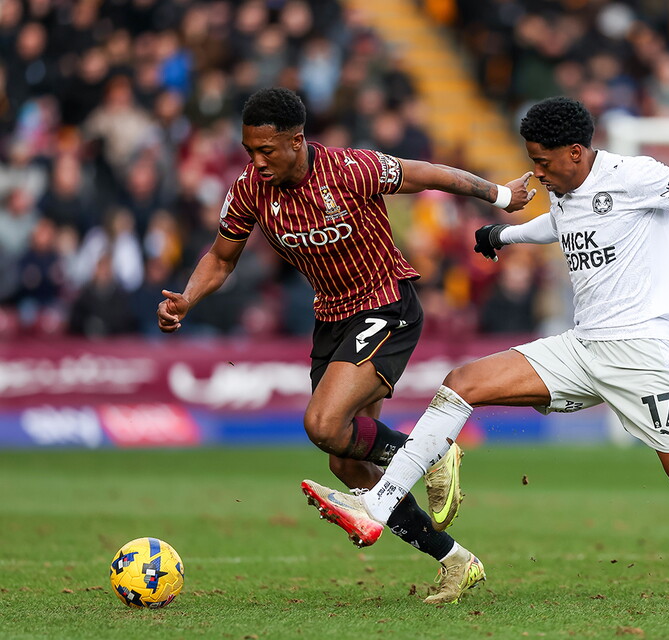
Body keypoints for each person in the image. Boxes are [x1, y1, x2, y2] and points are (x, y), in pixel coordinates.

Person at [302, 96, 669, 607]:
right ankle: (376, 508)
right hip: (581, 347)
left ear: (576, 151)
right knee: (462, 381)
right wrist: (504, 236)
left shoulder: (640, 178)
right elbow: (564, 224)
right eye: (531, 160)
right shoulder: (565, 190)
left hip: (642, 355)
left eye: (543, 161)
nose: (536, 172)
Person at [156, 87, 536, 604]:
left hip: (387, 304)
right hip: (332, 320)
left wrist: (499, 196)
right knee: (346, 463)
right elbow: (222, 258)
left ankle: (430, 452)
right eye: (249, 151)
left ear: (297, 140)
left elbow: (430, 174)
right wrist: (186, 300)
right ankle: (455, 560)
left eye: (267, 151)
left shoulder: (350, 169)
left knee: (322, 424)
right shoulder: (249, 189)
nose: (257, 162)